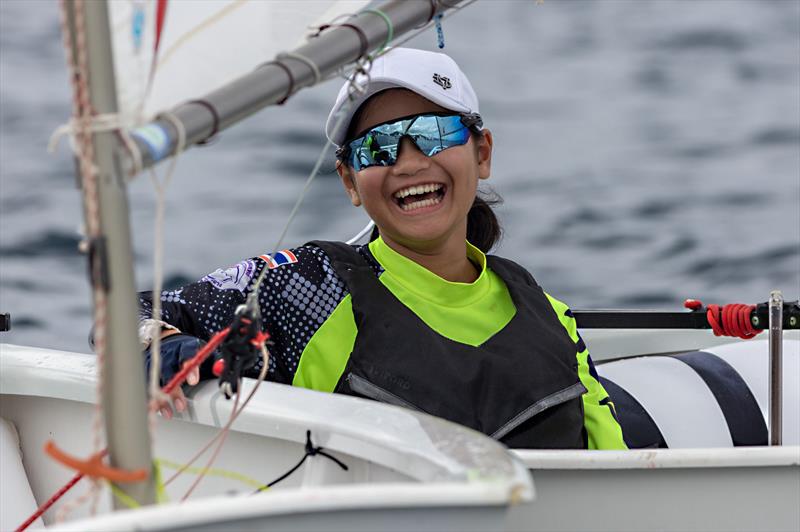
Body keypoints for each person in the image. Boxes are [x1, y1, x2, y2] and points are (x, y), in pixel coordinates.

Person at [139, 48, 626, 449]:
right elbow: (130, 315)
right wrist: (162, 347)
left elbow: (616, 476)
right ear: (350, 181)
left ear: (482, 153)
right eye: (378, 147)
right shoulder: (309, 287)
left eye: (435, 134)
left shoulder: (549, 314)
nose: (410, 163)